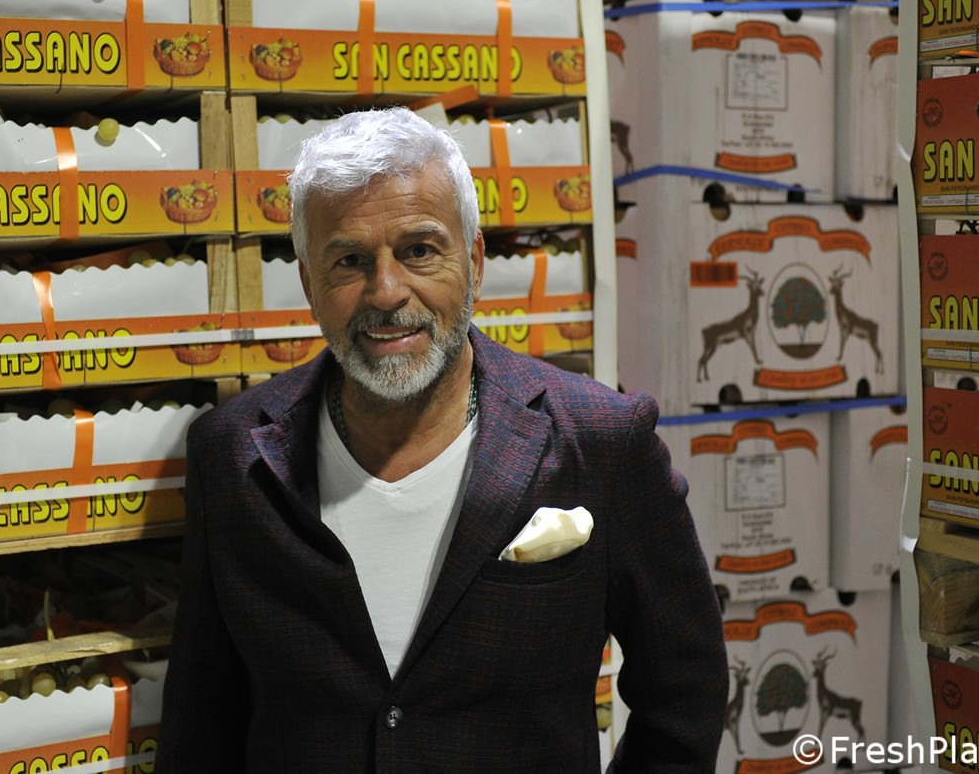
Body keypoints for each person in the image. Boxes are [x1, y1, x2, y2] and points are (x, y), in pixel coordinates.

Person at [156, 107, 727, 772]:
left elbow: (685, 691)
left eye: (419, 251)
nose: (386, 291)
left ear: (474, 261)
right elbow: (202, 720)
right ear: (310, 284)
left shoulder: (601, 442)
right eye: (349, 261)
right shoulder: (233, 457)